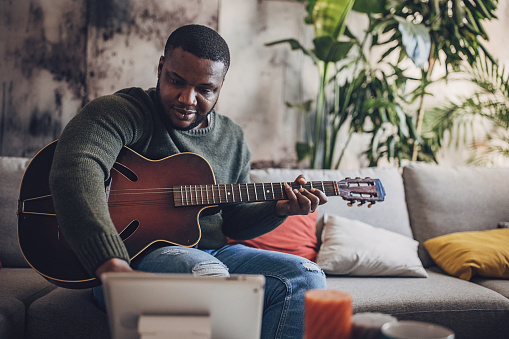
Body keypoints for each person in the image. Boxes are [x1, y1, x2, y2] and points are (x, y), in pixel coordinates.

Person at [49, 24, 327, 338]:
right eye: (176, 81)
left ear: (221, 86)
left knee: (306, 276)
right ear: (160, 68)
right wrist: (110, 263)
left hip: (213, 254)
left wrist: (277, 209)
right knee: (205, 273)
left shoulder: (232, 139)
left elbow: (232, 223)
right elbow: (76, 168)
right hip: (134, 259)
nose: (187, 99)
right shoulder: (124, 111)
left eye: (205, 89)